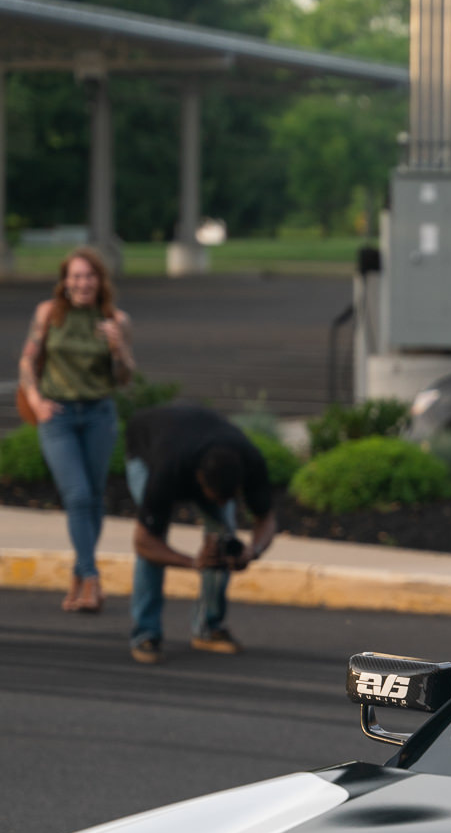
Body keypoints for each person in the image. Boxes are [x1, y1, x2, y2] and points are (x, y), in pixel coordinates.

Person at [17, 247, 135, 612]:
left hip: (99, 415)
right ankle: (92, 577)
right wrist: (35, 400)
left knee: (94, 497)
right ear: (65, 282)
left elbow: (125, 377)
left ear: (100, 281)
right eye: (76, 276)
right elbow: (28, 359)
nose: (83, 282)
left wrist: (118, 348)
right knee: (78, 496)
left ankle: (79, 576)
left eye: (90, 276)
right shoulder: (49, 314)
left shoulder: (115, 319)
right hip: (59, 416)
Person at [124, 404, 276, 664]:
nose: (218, 504)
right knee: (155, 539)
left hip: (192, 436)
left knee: (223, 536)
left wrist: (253, 551)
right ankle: (145, 632)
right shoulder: (168, 468)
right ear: (198, 480)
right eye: (215, 498)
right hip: (145, 447)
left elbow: (267, 519)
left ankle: (208, 626)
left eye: (228, 498)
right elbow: (143, 542)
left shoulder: (250, 460)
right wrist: (193, 562)